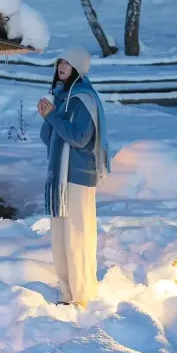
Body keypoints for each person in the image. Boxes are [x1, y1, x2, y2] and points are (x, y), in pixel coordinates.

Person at [37, 46, 110, 308]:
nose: (61, 67)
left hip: (78, 176)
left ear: (78, 67)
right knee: (60, 236)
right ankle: (66, 292)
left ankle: (82, 296)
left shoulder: (83, 99)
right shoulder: (63, 97)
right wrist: (49, 117)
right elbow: (49, 138)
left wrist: (54, 116)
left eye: (67, 63)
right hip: (59, 176)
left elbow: (79, 138)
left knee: (77, 235)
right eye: (60, 63)